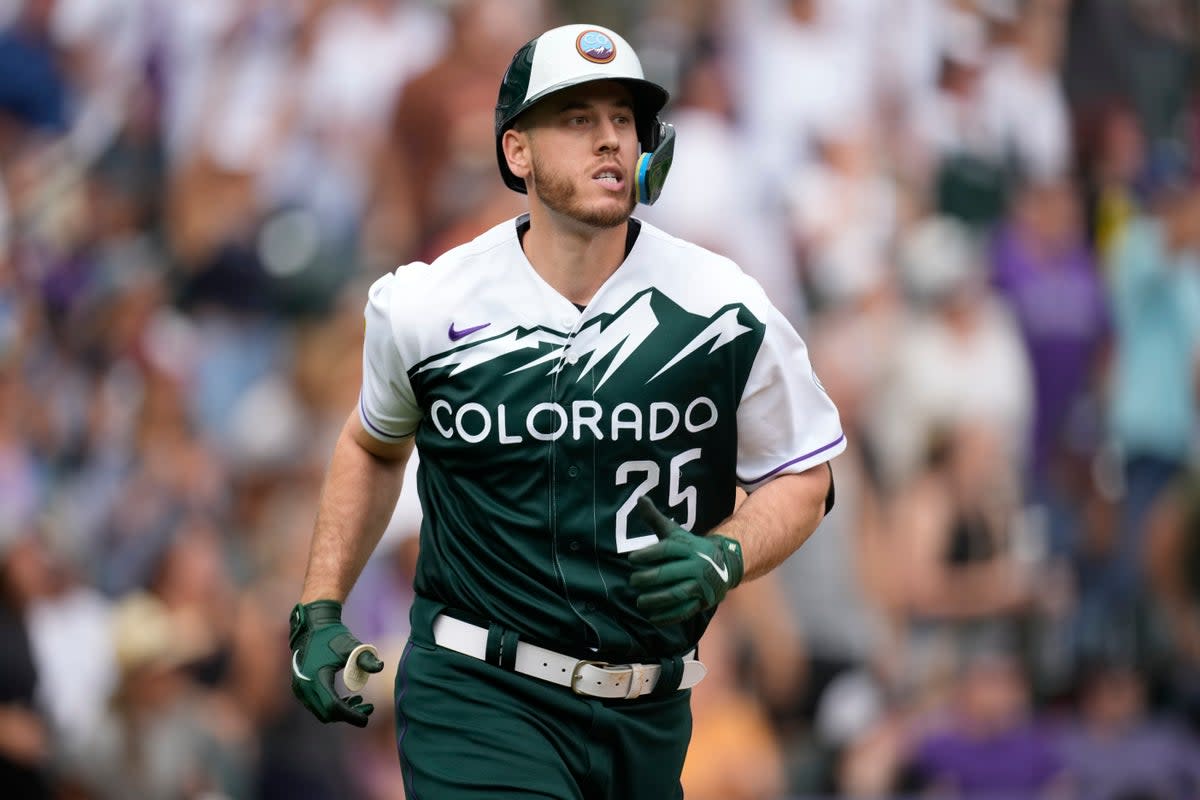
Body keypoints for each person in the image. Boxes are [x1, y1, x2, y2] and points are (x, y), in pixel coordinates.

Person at [288, 22, 845, 800]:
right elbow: (374, 444)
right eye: (577, 119)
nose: (609, 140)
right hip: (478, 690)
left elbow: (804, 475)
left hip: (650, 711)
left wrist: (728, 554)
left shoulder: (723, 307)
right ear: (517, 151)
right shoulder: (427, 304)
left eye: (623, 120)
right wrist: (319, 605)